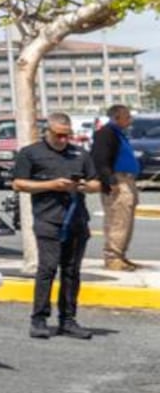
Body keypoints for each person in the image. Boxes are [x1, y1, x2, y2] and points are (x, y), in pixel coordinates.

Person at [12, 112, 96, 340]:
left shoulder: (80, 153)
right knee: (47, 269)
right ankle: (39, 319)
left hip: (77, 220)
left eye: (66, 135)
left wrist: (82, 186)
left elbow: (96, 182)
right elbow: (19, 184)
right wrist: (52, 185)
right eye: (58, 135)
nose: (62, 140)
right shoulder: (31, 153)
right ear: (47, 131)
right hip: (48, 219)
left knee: (71, 272)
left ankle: (68, 320)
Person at [89, 102, 142, 272]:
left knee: (126, 220)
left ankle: (121, 255)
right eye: (127, 116)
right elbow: (100, 159)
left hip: (127, 180)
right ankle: (113, 257)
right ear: (116, 118)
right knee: (117, 220)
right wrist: (110, 181)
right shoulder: (106, 133)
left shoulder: (119, 133)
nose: (130, 120)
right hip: (117, 181)